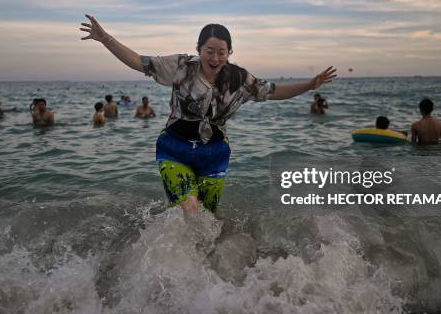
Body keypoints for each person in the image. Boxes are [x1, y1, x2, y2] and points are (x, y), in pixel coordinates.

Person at [80, 14, 336, 214]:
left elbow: (273, 91)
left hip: (214, 154)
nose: (215, 57)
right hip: (174, 148)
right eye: (209, 51)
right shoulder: (181, 67)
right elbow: (139, 62)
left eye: (221, 52)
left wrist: (309, 85)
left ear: (229, 52)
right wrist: (106, 39)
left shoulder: (239, 78)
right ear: (199, 49)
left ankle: (206, 272)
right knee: (190, 210)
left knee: (206, 220)